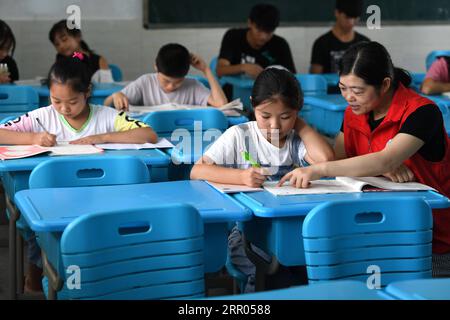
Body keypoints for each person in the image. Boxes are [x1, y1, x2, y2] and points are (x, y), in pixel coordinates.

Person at [279, 41, 450, 278]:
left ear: (385, 84)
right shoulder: (353, 113)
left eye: (358, 91)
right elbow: (341, 159)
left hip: (431, 241)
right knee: (309, 264)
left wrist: (375, 164)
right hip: (372, 231)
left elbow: (385, 160)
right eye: (342, 88)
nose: (349, 98)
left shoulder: (423, 112)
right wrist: (375, 166)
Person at [0, 53, 157, 291]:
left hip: (100, 198)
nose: (64, 109)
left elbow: (148, 134)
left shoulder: (105, 117)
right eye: (56, 100)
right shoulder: (43, 117)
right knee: (42, 229)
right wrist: (33, 137)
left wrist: (102, 137)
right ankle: (42, 271)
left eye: (72, 102)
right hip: (54, 199)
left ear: (87, 92)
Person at [191, 68, 333, 291]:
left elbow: (325, 160)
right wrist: (240, 177)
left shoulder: (295, 140)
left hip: (292, 228)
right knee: (269, 277)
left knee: (309, 271)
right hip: (246, 234)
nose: (275, 126)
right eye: (265, 116)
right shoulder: (240, 135)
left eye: (285, 116)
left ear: (297, 110)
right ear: (252, 106)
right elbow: (197, 170)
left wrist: (299, 123)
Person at [105, 43, 227, 111]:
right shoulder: (145, 82)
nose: (171, 86)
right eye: (166, 81)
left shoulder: (193, 85)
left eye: (178, 82)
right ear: (156, 67)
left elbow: (222, 104)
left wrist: (206, 70)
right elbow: (107, 104)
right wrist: (116, 95)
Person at [216, 4, 296, 100]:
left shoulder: (280, 44)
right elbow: (220, 70)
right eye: (258, 30)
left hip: (267, 99)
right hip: (233, 98)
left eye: (268, 32)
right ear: (250, 23)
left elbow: (292, 78)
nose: (263, 37)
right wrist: (244, 67)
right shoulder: (233, 37)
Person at [310, 0, 369, 74]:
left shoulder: (365, 44)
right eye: (347, 17)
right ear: (337, 13)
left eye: (355, 18)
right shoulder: (321, 43)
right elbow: (315, 79)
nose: (351, 22)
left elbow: (369, 75)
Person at [49, 19, 113, 83]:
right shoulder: (60, 61)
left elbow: (107, 86)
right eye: (57, 44)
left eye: (64, 39)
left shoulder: (100, 60)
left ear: (78, 36)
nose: (61, 46)